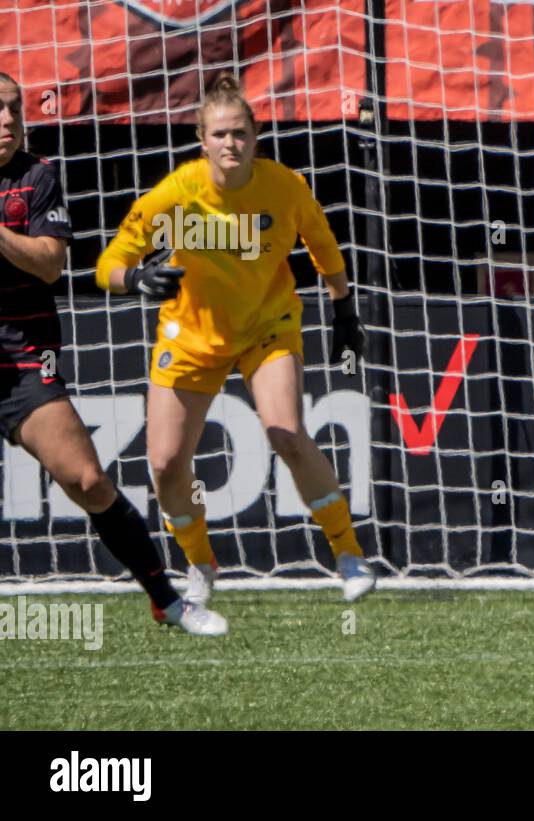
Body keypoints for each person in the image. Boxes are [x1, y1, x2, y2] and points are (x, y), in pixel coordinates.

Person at [95, 72, 375, 609]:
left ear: (255, 136)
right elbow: (108, 262)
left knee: (287, 432)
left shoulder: (285, 186)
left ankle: (347, 552)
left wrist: (343, 309)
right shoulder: (177, 193)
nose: (231, 143)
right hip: (193, 337)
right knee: (166, 464)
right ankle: (200, 563)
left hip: (266, 326)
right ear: (203, 141)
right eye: (220, 134)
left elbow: (324, 245)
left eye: (240, 133)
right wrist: (135, 280)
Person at [0, 72, 225, 635]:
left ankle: (167, 601)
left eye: (12, 109)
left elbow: (52, 263)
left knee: (88, 481)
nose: (6, 121)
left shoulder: (36, 176)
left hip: (23, 355)